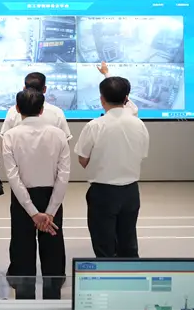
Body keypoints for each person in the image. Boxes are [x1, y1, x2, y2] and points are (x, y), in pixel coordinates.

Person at [2, 89, 70, 300]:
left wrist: (32, 212)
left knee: (22, 251)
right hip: (51, 199)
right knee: (53, 251)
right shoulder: (58, 135)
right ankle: (52, 300)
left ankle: (25, 301)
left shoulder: (10, 136)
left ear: (17, 109)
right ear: (42, 110)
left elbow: (13, 177)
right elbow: (63, 175)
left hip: (22, 201)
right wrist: (50, 211)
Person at [74, 76, 149, 258]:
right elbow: (142, 154)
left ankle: (106, 274)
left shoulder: (95, 126)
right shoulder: (139, 124)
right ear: (126, 98)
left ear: (102, 99)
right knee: (128, 241)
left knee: (103, 244)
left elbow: (83, 159)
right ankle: (130, 273)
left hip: (102, 191)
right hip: (131, 191)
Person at [0, 72, 72, 139]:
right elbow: (65, 141)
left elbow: (5, 140)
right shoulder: (57, 113)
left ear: (24, 88)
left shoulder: (13, 111)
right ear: (44, 89)